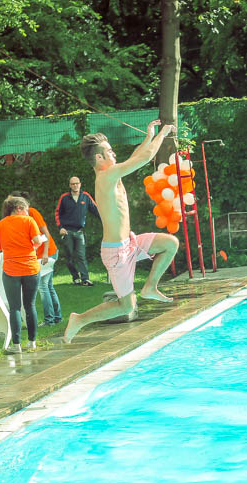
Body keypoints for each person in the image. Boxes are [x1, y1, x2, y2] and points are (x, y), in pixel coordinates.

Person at [64, 120, 180, 342]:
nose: (114, 153)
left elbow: (136, 157)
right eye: (109, 151)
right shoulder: (106, 177)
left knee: (170, 244)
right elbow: (144, 158)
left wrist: (149, 136)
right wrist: (163, 133)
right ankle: (79, 320)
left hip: (130, 243)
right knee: (126, 306)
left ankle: (150, 287)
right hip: (116, 253)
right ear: (99, 158)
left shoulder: (113, 174)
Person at [0, 195, 42, 353]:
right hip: (31, 269)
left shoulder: (0, 225)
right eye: (26, 209)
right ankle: (32, 342)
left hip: (11, 271)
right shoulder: (29, 221)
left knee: (15, 308)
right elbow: (38, 241)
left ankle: (16, 346)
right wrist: (32, 246)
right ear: (19, 208)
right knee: (30, 306)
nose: (28, 213)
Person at [14, 191, 62, 326]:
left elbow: (46, 233)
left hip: (48, 253)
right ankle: (57, 317)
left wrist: (45, 253)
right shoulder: (20, 218)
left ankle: (49, 320)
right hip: (40, 255)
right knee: (49, 286)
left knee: (43, 286)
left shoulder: (33, 213)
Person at [55, 175, 100, 285]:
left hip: (79, 232)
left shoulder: (85, 196)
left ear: (80, 184)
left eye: (77, 183)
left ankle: (85, 279)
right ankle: (75, 277)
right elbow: (57, 213)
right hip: (67, 232)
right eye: (73, 184)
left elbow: (96, 210)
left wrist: (106, 220)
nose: (75, 185)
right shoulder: (64, 197)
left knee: (81, 256)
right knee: (69, 257)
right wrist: (60, 228)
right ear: (70, 185)